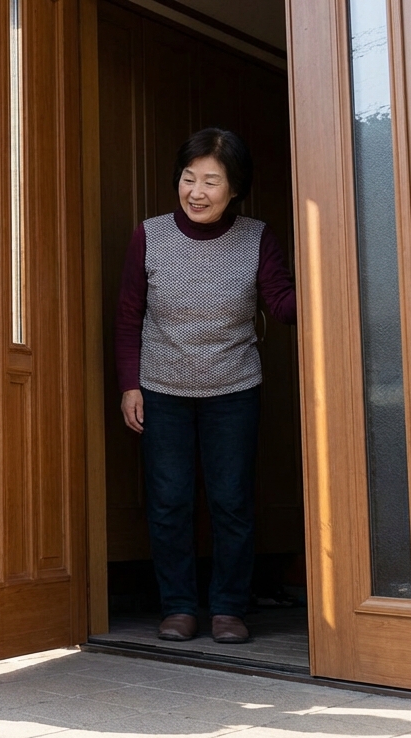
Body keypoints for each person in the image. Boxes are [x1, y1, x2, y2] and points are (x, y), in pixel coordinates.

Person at [114, 128, 296, 644]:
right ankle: (178, 606)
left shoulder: (256, 237)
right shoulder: (149, 235)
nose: (197, 191)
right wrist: (131, 385)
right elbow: (129, 316)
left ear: (234, 188)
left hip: (234, 387)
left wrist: (335, 280)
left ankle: (228, 609)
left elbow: (280, 301)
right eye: (188, 178)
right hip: (162, 387)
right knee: (169, 500)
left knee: (232, 500)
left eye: (211, 181)